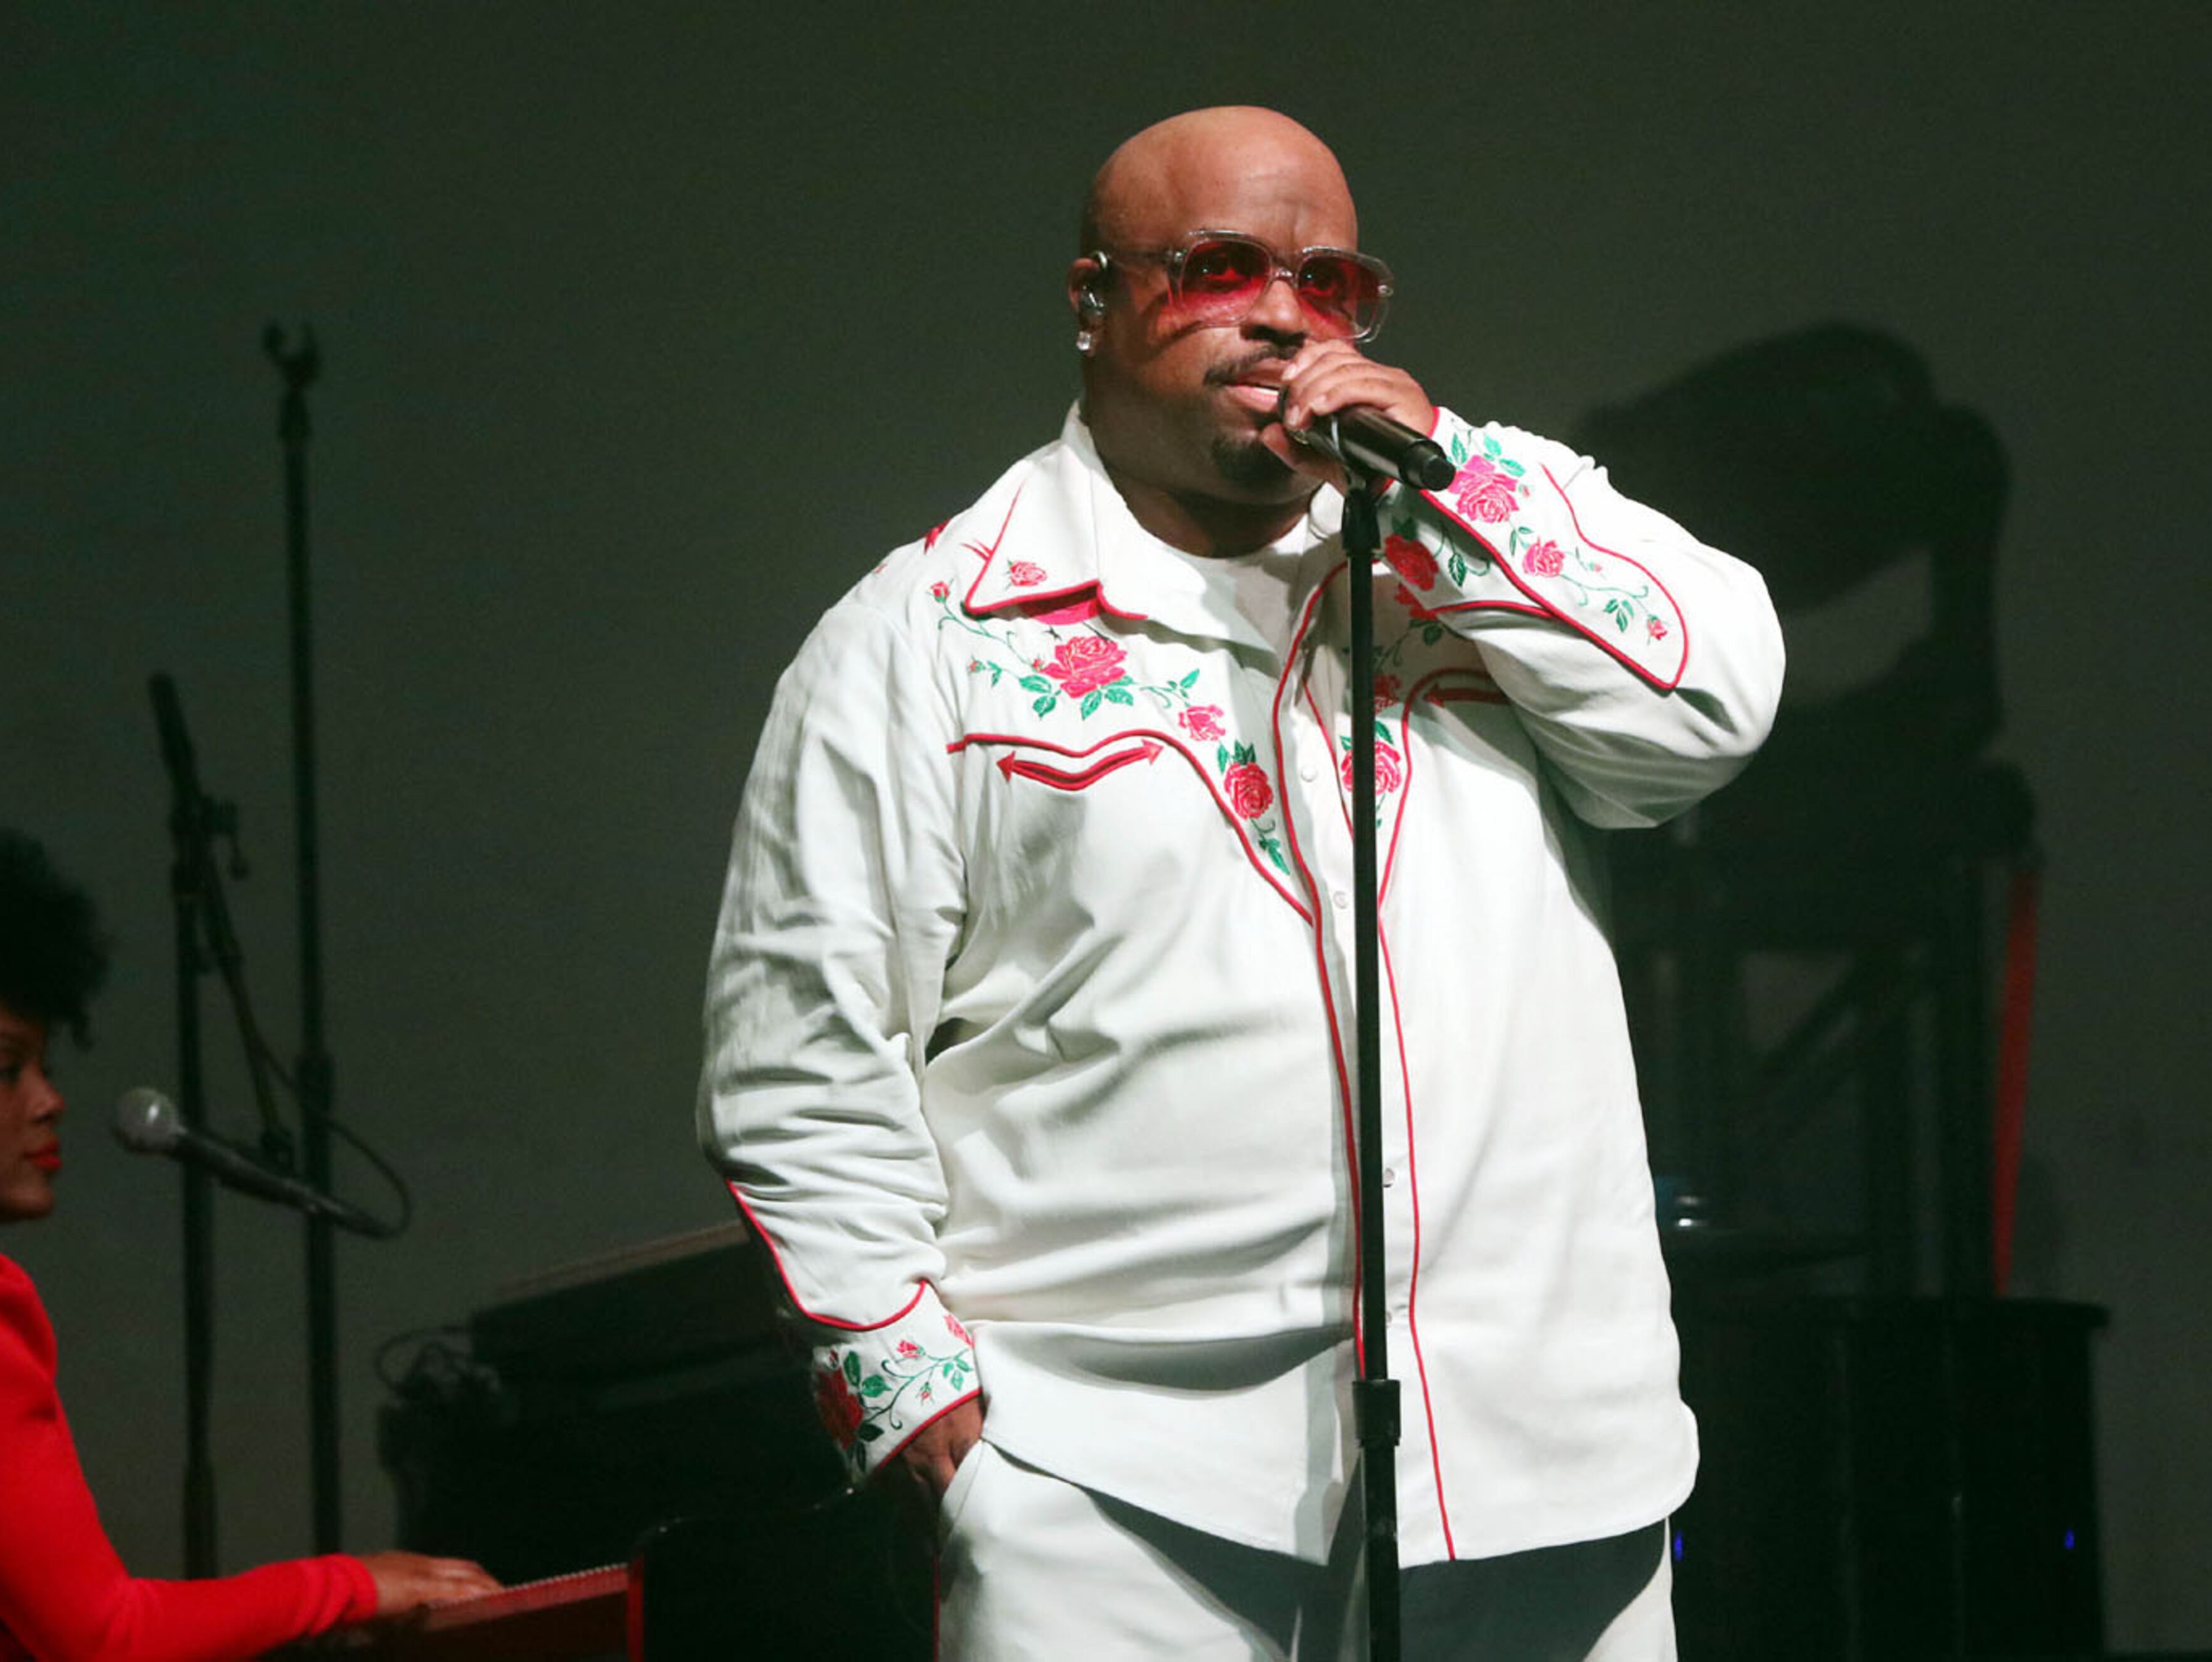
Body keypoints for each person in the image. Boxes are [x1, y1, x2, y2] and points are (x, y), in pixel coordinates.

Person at [698, 106, 1784, 1658]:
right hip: (1119, 1505)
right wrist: (925, 1418)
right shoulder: (930, 635)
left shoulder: (1460, 555)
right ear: (1092, 301)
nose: (1283, 312)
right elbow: (799, 1063)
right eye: (1218, 268)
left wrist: (1450, 477)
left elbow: (1706, 710)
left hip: (1550, 1474)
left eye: (1330, 282)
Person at [0, 826, 500, 1660]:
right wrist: (357, 1583)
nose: (51, 1099)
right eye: (5, 1066)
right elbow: (107, 1638)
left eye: (45, 1064)